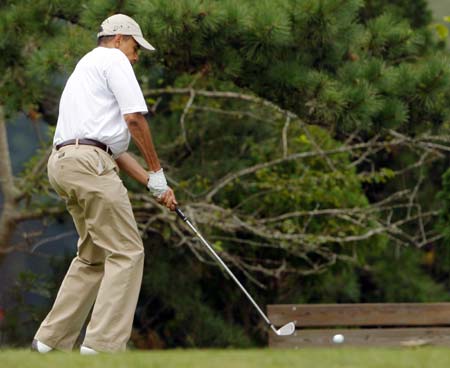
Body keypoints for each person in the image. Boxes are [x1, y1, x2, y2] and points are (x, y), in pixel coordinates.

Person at [31, 14, 177, 354]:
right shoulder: (113, 59)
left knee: (93, 255)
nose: (137, 55)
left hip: (65, 164)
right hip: (89, 164)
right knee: (127, 251)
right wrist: (156, 170)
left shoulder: (85, 68)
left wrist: (155, 185)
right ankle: (103, 345)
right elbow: (135, 120)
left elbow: (114, 151)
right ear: (119, 38)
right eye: (135, 47)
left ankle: (50, 342)